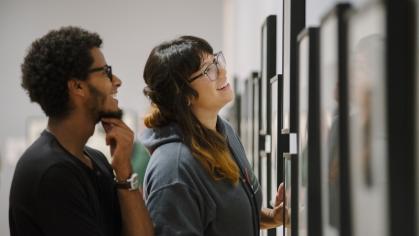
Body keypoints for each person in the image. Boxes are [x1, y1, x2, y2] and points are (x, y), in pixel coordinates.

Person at [9, 26, 154, 236]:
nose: (117, 81)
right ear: (77, 87)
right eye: (106, 72)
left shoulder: (96, 160)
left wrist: (124, 170)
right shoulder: (51, 172)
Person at [140, 35, 287, 236]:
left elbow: (227, 217)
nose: (223, 71)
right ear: (182, 94)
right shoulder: (173, 170)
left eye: (216, 61)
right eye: (208, 70)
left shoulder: (223, 131)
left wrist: (274, 218)